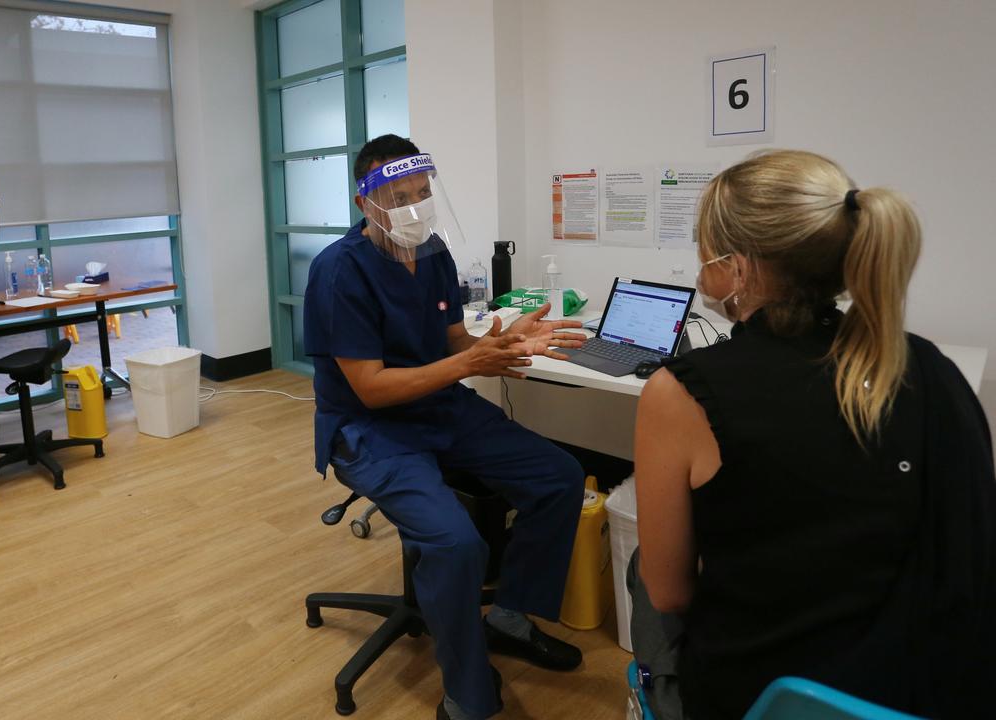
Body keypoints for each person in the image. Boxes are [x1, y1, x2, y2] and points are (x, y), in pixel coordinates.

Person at [629, 149, 995, 719]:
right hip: (923, 691)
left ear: (739, 267)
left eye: (706, 252)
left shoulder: (681, 394)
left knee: (645, 576)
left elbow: (671, 593)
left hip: (762, 698)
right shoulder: (931, 368)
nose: (702, 270)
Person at [304, 134, 590, 720]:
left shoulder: (432, 251)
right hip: (369, 428)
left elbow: (455, 342)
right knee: (457, 543)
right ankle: (465, 694)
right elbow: (370, 388)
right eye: (398, 196)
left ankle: (509, 616)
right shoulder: (339, 272)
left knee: (560, 476)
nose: (414, 207)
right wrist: (469, 363)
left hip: (439, 409)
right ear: (365, 202)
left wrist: (504, 341)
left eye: (422, 193)